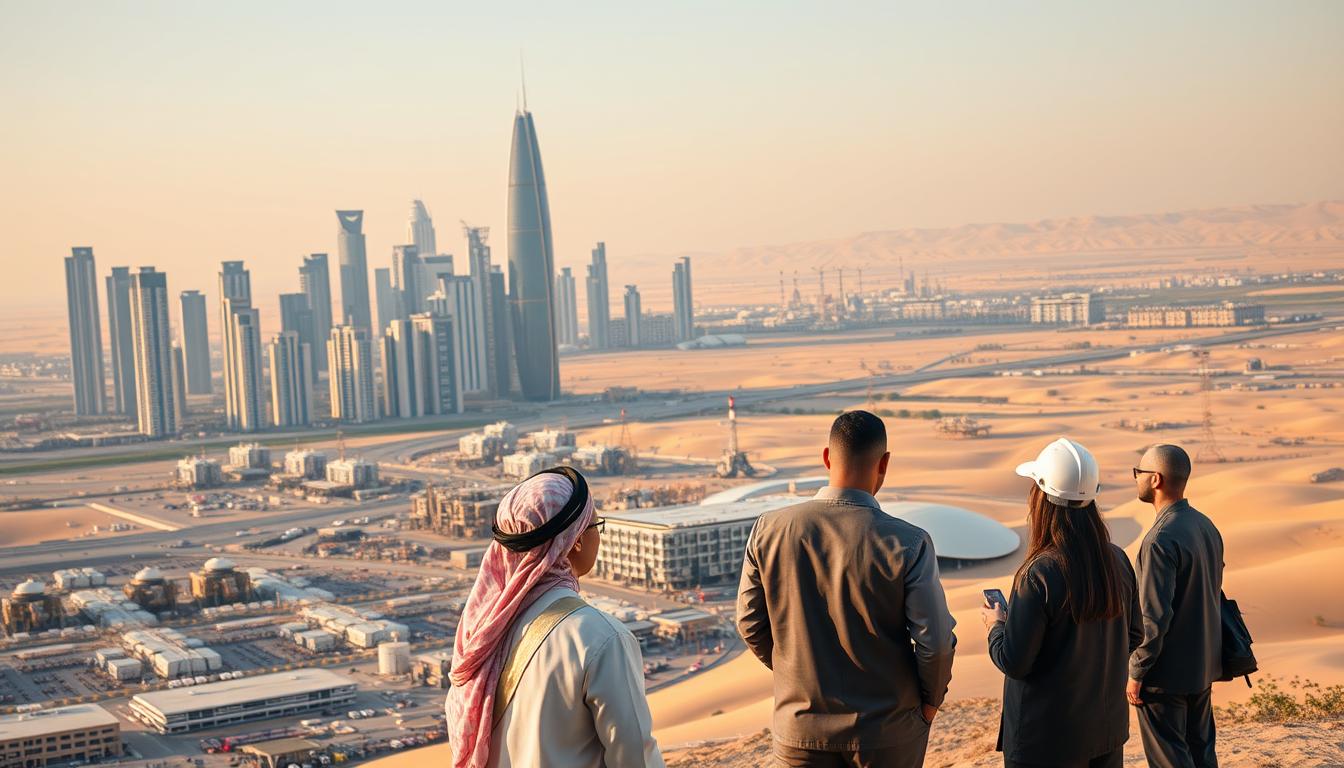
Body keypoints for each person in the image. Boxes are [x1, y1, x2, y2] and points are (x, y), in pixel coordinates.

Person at [737, 409, 957, 768]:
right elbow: (935, 640)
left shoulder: (769, 529)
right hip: (886, 733)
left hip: (799, 731)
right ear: (884, 463)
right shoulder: (908, 542)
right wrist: (931, 703)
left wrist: (796, 675)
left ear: (826, 457)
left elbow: (749, 623)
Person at [446, 466, 664, 768]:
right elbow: (635, 758)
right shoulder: (601, 637)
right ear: (574, 540)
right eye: (596, 525)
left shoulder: (478, 635)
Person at [979, 437, 1142, 768]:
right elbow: (1134, 635)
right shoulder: (1117, 559)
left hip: (1046, 743)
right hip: (1104, 736)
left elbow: (1013, 661)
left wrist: (996, 625)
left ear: (1040, 498)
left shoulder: (1038, 574)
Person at [1128, 444, 1224, 768]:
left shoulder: (1160, 540)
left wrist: (1137, 669)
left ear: (1155, 479)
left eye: (1138, 473)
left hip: (1164, 676)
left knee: (1171, 760)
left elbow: (1153, 617)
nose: (1136, 479)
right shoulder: (1205, 525)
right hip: (1202, 666)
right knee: (1202, 755)